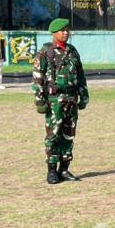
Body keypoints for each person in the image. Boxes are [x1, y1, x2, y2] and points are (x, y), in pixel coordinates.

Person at [32, 18, 89, 185]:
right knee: (53, 135)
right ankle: (51, 170)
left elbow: (81, 76)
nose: (66, 33)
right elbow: (37, 78)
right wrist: (39, 101)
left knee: (69, 135)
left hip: (71, 98)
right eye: (62, 30)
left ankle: (64, 168)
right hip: (54, 100)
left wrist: (84, 95)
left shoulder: (72, 51)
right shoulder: (46, 52)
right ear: (54, 32)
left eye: (67, 30)